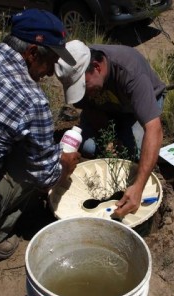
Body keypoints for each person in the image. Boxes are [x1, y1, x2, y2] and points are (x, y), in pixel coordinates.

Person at [0, 9, 81, 260]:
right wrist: (65, 166)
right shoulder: (32, 101)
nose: (50, 73)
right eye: (51, 62)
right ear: (32, 54)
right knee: (33, 166)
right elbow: (46, 176)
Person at [55, 40, 166, 218]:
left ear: (97, 67)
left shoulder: (129, 71)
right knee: (90, 147)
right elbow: (90, 109)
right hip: (108, 108)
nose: (82, 92)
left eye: (83, 87)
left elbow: (153, 129)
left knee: (135, 154)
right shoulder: (80, 73)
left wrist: (138, 188)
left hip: (137, 108)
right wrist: (109, 136)